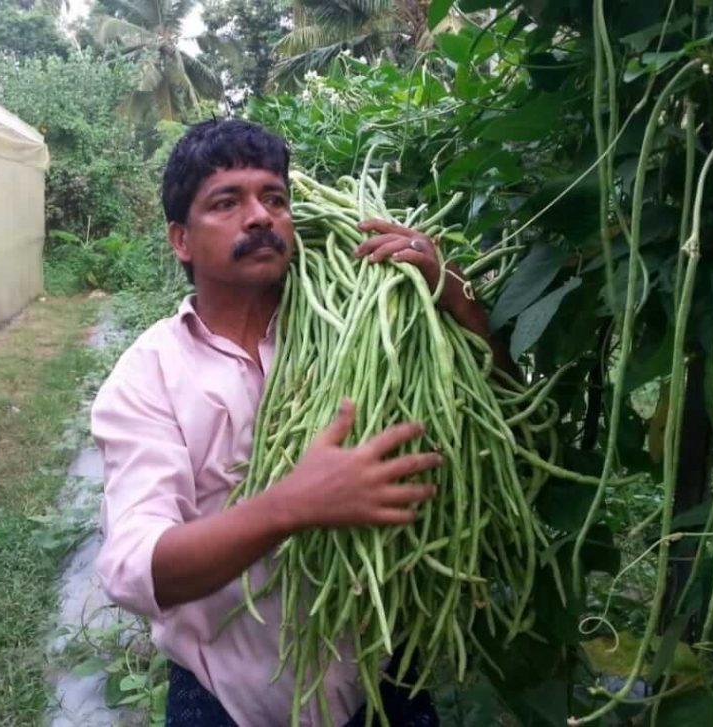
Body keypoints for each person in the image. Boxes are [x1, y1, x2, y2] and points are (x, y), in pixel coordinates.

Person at [90, 119, 506, 726]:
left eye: (274, 198)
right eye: (226, 202)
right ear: (181, 239)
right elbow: (133, 570)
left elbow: (504, 413)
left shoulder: (373, 316)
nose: (258, 216)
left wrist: (456, 297)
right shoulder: (149, 376)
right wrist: (290, 506)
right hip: (229, 704)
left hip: (385, 680)